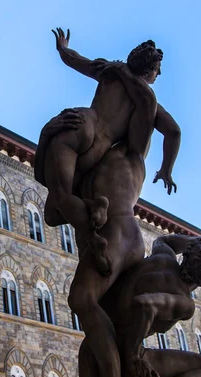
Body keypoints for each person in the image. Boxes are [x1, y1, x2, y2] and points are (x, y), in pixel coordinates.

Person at [34, 28, 179, 274]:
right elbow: (174, 132)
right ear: (150, 70)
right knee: (55, 209)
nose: (159, 73)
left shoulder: (111, 70)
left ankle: (93, 210)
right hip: (99, 149)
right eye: (158, 69)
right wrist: (166, 170)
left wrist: (62, 48)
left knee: (55, 208)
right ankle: (95, 220)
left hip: (81, 121)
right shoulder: (147, 101)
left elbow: (76, 61)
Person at [78, 224, 201, 377]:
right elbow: (145, 305)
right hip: (122, 361)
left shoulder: (164, 257)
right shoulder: (184, 302)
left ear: (189, 254)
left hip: (93, 353)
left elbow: (163, 240)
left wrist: (199, 241)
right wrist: (133, 356)